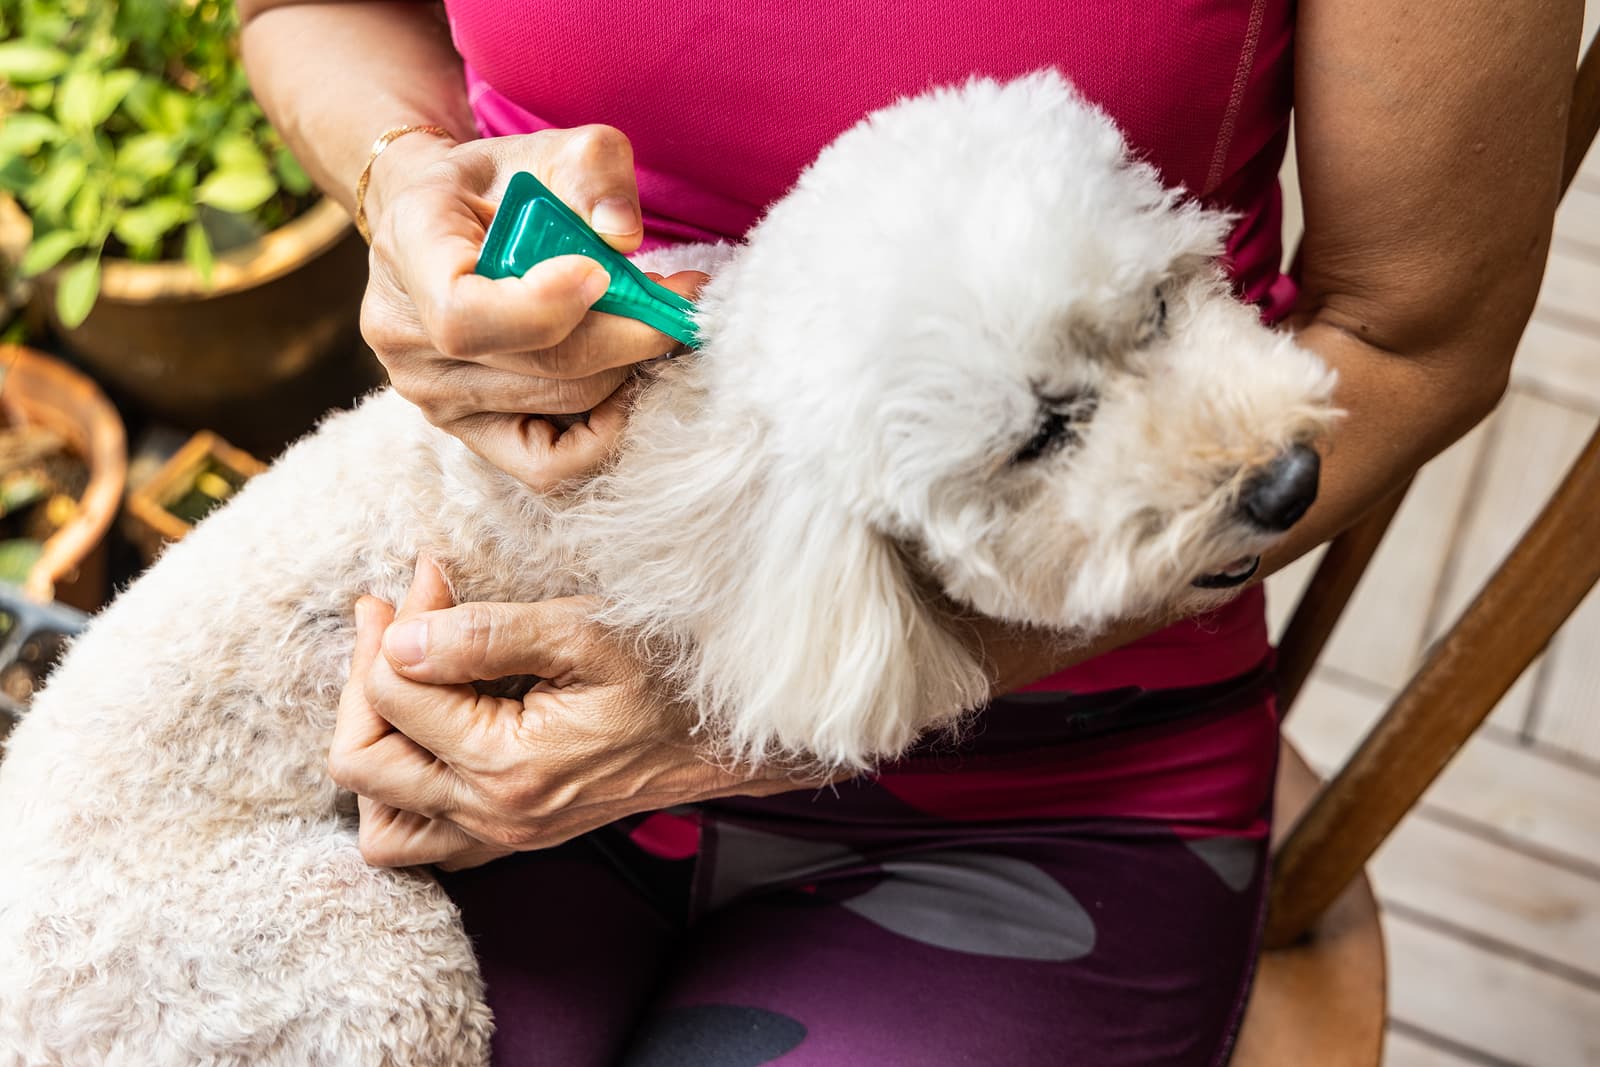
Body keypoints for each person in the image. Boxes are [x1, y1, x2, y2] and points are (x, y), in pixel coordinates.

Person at [238, 2, 1580, 1063]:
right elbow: (305, 12)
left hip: (1052, 765)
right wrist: (401, 169)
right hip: (485, 699)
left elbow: (1419, 335)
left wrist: (732, 722)